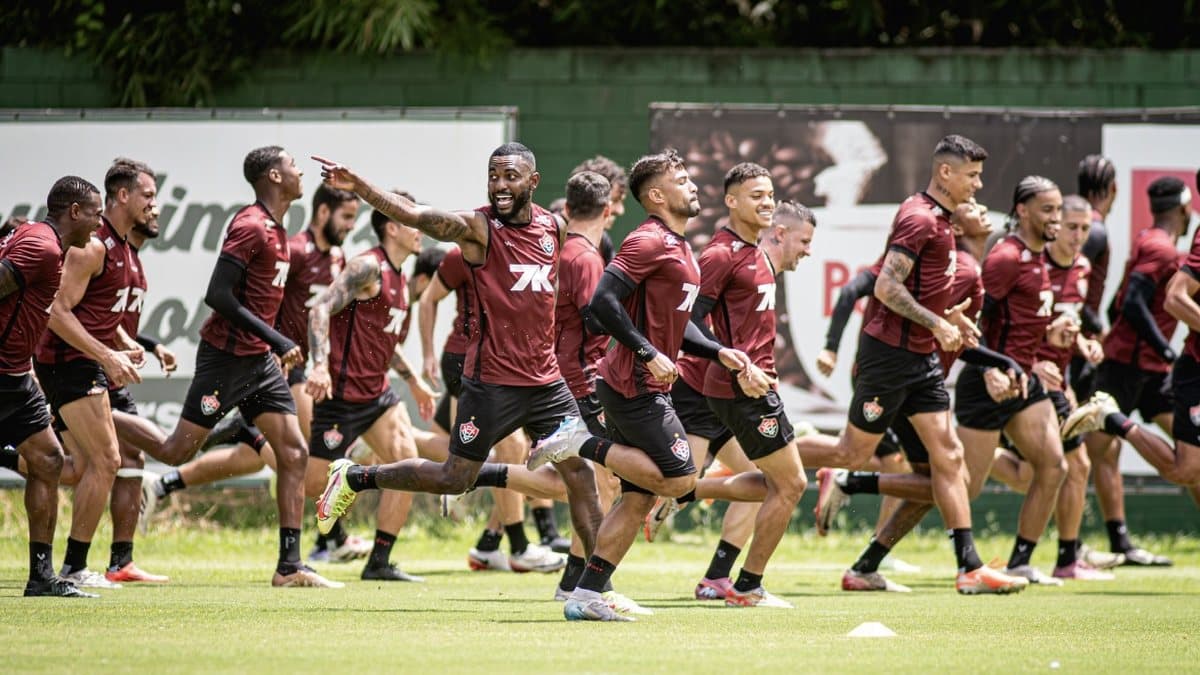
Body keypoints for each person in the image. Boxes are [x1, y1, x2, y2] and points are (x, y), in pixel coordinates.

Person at [311, 143, 604, 585]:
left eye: (510, 176)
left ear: (533, 181)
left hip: (546, 382)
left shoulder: (554, 228)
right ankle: (355, 477)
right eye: (493, 176)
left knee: (581, 475)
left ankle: (592, 587)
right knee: (454, 478)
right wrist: (361, 187)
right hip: (492, 383)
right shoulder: (477, 229)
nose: (500, 185)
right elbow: (414, 214)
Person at [530, 149, 766, 620]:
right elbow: (602, 302)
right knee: (680, 480)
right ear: (656, 195)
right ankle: (580, 442)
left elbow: (677, 325)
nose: (692, 185)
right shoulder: (648, 240)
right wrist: (647, 353)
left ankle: (585, 593)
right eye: (681, 179)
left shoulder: (680, 245)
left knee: (637, 498)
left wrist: (717, 351)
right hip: (632, 384)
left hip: (639, 383)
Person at [799, 135, 1026, 594]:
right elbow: (885, 287)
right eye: (972, 175)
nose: (978, 186)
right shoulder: (919, 217)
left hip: (921, 362)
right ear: (945, 173)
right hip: (887, 358)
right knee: (850, 452)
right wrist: (937, 323)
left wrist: (949, 321)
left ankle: (967, 568)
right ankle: (753, 454)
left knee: (949, 464)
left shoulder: (943, 226)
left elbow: (924, 295)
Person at [113, 146, 340, 587]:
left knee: (294, 453)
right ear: (274, 176)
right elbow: (218, 295)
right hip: (227, 359)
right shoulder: (250, 224)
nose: (300, 172)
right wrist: (278, 339)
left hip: (260, 363)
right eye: (293, 166)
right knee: (175, 451)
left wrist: (271, 347)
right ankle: (89, 412)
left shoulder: (278, 229)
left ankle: (289, 566)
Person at [145, 184, 373, 563]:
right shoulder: (295, 250)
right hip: (283, 364)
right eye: (346, 217)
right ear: (323, 213)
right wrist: (275, 347)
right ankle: (331, 539)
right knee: (309, 456)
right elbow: (265, 302)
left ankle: (171, 481)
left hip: (299, 364)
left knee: (257, 457)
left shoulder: (337, 257)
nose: (351, 225)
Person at [691, 166, 815, 607]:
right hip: (740, 389)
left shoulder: (755, 254)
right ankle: (746, 586)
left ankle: (686, 495)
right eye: (755, 195)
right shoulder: (720, 254)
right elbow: (685, 321)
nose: (765, 202)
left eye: (769, 194)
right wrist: (732, 360)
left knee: (775, 483)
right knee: (792, 484)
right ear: (731, 201)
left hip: (753, 387)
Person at [34, 158, 156, 589]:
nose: (153, 205)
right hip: (67, 362)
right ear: (122, 195)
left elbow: (96, 311)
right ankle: (74, 567)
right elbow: (56, 311)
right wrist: (106, 356)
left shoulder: (122, 247)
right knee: (109, 459)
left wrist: (124, 343)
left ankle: (70, 565)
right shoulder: (94, 245)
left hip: (80, 360)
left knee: (81, 465)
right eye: (147, 195)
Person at [304, 204, 438, 581]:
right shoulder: (367, 266)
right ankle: (265, 449)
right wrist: (319, 365)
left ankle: (379, 562)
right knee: (311, 485)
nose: (420, 230)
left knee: (408, 467)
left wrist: (413, 381)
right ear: (392, 228)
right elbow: (319, 311)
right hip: (340, 398)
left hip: (378, 397)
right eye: (412, 223)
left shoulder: (400, 278)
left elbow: (383, 340)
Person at [955, 177, 1075, 586]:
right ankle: (856, 487)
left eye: (1058, 210)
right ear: (1022, 211)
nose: (1056, 219)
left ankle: (1020, 562)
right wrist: (989, 369)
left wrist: (1050, 336)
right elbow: (972, 322)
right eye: (1047, 210)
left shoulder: (1039, 256)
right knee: (961, 488)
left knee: (1054, 466)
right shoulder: (1005, 257)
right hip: (987, 385)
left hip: (1022, 382)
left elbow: (1020, 323)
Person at [1070, 176, 1193, 567]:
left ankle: (1115, 545)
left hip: (1150, 372)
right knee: (1092, 456)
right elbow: (1134, 304)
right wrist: (1166, 349)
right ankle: (1090, 546)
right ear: (1185, 209)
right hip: (1127, 369)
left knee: (1189, 459)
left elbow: (1116, 306)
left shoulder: (1149, 241)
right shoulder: (1160, 248)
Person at [418, 243, 562, 573]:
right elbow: (427, 299)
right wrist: (426, 354)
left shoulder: (527, 248)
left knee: (515, 452)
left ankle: (488, 540)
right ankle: (519, 546)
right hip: (466, 361)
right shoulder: (464, 253)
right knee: (511, 449)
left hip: (506, 363)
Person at [0, 176, 103, 597]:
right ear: (74, 212)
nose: (98, 224)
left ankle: (42, 577)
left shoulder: (42, 242)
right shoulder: (41, 246)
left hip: (15, 378)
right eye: (95, 214)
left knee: (47, 460)